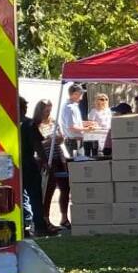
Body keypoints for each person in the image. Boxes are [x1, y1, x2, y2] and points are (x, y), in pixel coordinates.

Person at [19, 99, 55, 236]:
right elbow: (37, 145)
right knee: (35, 196)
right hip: (28, 163)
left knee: (17, 198)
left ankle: (21, 227)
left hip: (10, 165)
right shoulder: (29, 124)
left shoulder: (7, 123)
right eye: (25, 105)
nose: (27, 108)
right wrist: (45, 162)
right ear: (21, 107)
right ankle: (40, 227)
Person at [38, 102, 71, 230]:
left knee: (65, 188)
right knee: (48, 190)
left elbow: (61, 138)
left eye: (49, 110)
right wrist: (49, 140)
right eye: (46, 111)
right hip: (46, 159)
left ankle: (64, 217)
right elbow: (38, 143)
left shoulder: (54, 122)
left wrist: (59, 138)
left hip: (59, 157)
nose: (48, 113)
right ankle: (46, 219)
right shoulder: (36, 125)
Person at [59, 84, 87, 156]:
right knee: (76, 165)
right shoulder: (69, 108)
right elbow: (72, 127)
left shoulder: (73, 106)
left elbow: (76, 123)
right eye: (81, 94)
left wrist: (88, 123)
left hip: (75, 141)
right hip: (73, 142)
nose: (81, 97)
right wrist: (87, 129)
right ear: (75, 94)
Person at [84, 93, 113, 157]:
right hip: (98, 133)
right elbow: (90, 124)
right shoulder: (94, 111)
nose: (104, 101)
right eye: (102, 99)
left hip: (108, 133)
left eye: (106, 99)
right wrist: (96, 126)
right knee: (98, 153)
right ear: (97, 100)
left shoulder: (108, 110)